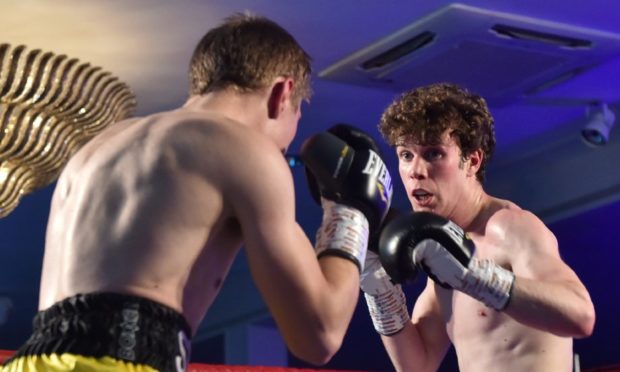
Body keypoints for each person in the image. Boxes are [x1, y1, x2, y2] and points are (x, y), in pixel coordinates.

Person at [2, 13, 393, 372]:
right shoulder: (245, 150)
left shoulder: (98, 147)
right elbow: (319, 335)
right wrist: (351, 213)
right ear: (282, 94)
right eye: (295, 119)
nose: (283, 149)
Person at [360, 83, 595, 372]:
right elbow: (416, 366)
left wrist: (475, 276)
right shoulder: (442, 252)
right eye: (406, 155)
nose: (415, 171)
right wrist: (379, 289)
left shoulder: (510, 228)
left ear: (472, 160)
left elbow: (582, 316)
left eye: (433, 153)